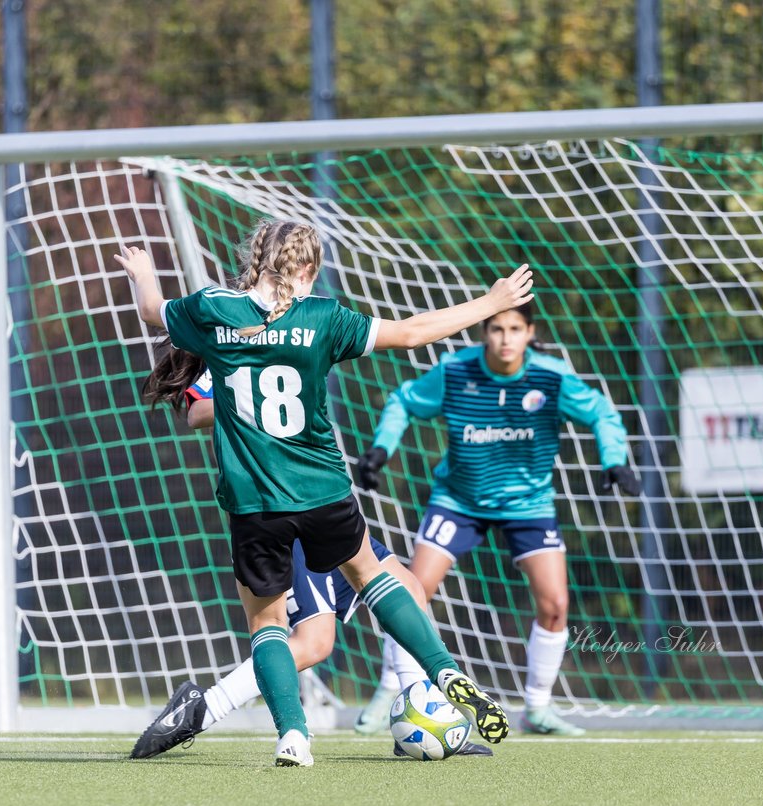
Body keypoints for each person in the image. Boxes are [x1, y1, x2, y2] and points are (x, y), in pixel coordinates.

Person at [114, 218, 531, 766]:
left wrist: (144, 273)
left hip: (258, 502)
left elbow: (152, 310)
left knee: (285, 621)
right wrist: (489, 301)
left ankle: (311, 731)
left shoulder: (213, 311)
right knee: (354, 604)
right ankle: (440, 672)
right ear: (308, 269)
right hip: (322, 491)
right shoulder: (321, 317)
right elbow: (409, 332)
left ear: (255, 260)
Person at [129, 368, 491, 759]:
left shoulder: (302, 330)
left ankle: (417, 713)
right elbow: (198, 413)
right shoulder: (237, 344)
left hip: (322, 497)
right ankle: (203, 708)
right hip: (282, 509)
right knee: (313, 643)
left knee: (410, 589)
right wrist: (258, 404)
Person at [354, 302, 640, 737]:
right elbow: (404, 402)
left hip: (528, 504)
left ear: (530, 332)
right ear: (485, 332)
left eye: (515, 329)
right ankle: (391, 689)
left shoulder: (551, 377)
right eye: (497, 329)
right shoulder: (455, 371)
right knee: (412, 592)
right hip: (458, 499)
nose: (506, 338)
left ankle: (538, 709)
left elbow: (602, 412)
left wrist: (614, 459)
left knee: (556, 604)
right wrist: (381, 449)